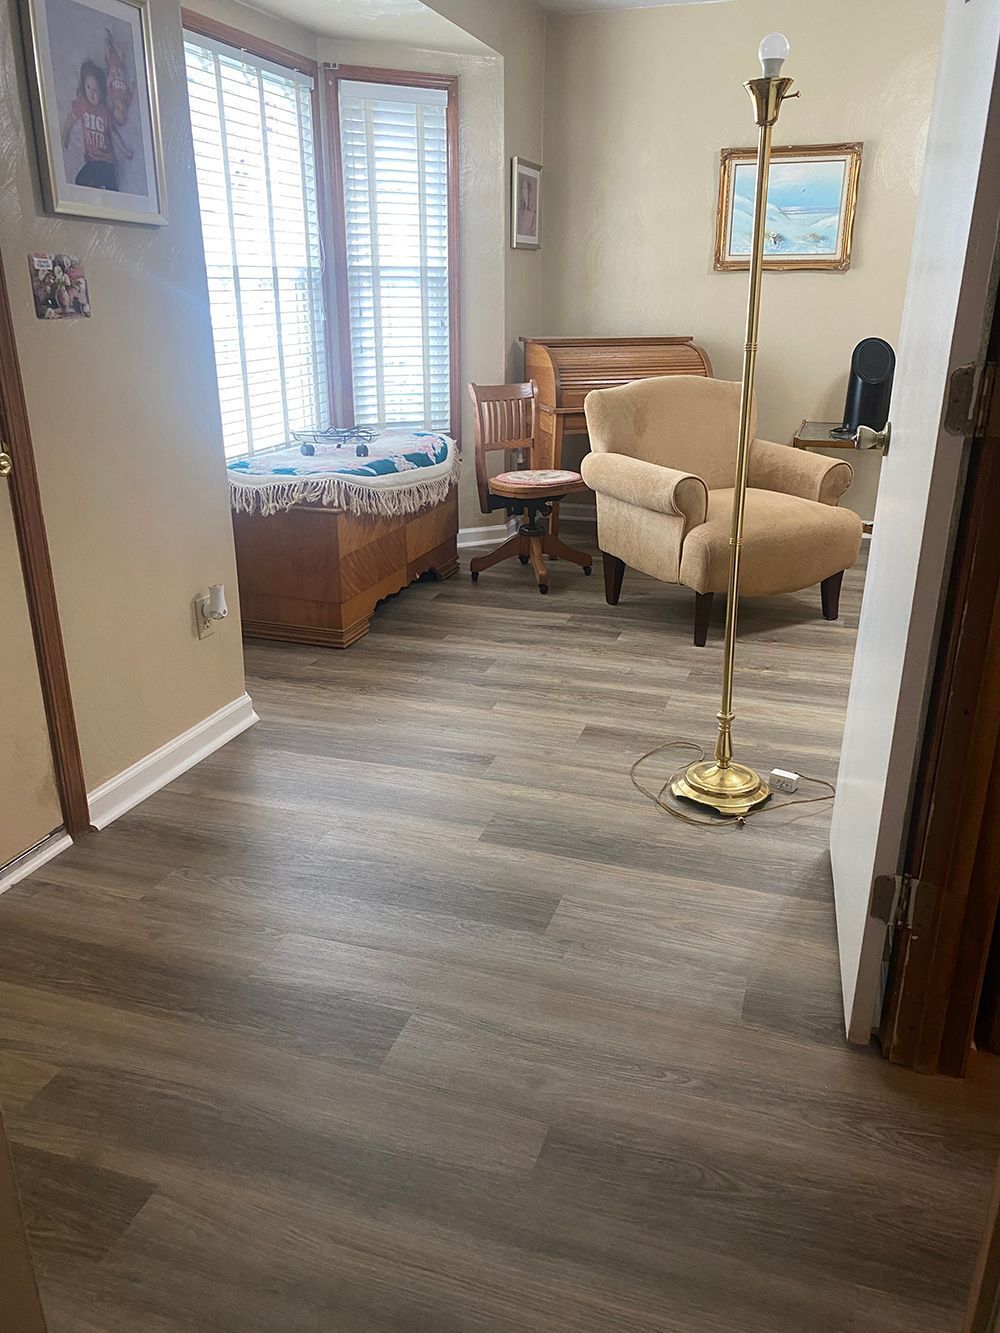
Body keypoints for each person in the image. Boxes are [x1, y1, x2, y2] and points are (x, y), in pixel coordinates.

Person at [61, 60, 132, 191]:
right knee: (80, 181)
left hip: (107, 161)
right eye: (88, 87)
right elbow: (71, 118)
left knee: (113, 191)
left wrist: (125, 151)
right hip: (92, 160)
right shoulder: (82, 104)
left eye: (95, 90)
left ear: (102, 92)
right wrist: (66, 133)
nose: (91, 93)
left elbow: (113, 133)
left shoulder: (104, 110)